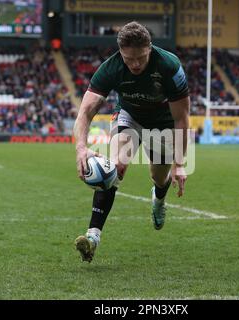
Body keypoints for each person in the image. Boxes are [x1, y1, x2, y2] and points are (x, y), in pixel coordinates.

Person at [73, 21, 190, 262]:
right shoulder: (111, 68)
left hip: (164, 123)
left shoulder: (169, 65)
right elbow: (85, 112)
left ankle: (158, 199)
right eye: (129, 59)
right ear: (120, 53)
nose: (135, 64)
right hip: (130, 115)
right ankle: (93, 237)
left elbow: (181, 118)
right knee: (116, 167)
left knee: (159, 177)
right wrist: (81, 147)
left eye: (141, 58)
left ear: (150, 48)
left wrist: (180, 163)